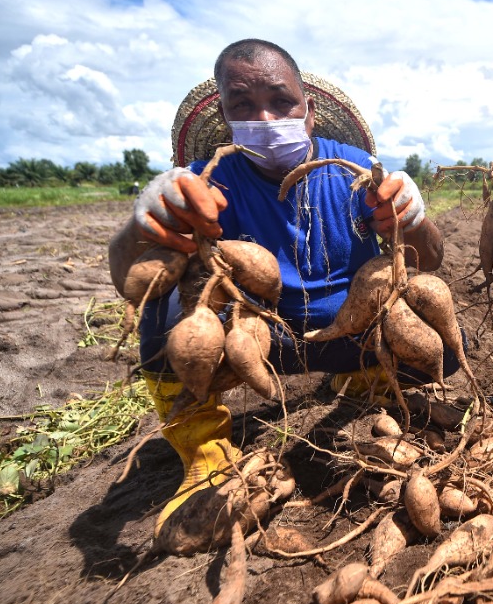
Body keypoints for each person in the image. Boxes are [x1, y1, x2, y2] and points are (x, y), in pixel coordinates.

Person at [107, 39, 452, 538]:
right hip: (259, 338)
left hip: (353, 332)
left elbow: (432, 258)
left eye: (281, 100)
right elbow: (131, 282)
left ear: (309, 111)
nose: (265, 119)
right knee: (167, 317)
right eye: (242, 106)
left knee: (427, 311)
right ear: (226, 119)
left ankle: (370, 381)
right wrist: (136, 229)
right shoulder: (208, 184)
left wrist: (414, 222)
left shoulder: (354, 169)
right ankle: (205, 454)